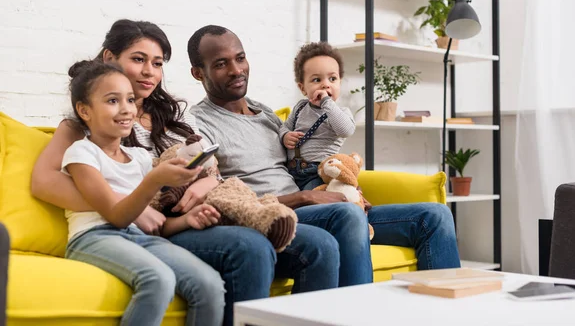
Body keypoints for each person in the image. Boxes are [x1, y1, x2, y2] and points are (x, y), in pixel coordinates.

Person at [31, 19, 336, 326]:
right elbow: (44, 182)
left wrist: (207, 185)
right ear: (110, 59)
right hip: (156, 221)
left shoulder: (173, 115)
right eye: (138, 59)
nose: (150, 71)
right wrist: (132, 207)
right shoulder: (87, 127)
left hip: (197, 212)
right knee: (250, 247)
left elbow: (210, 167)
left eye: (158, 63)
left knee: (319, 245)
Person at [187, 24, 462, 287]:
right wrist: (303, 197)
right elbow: (220, 197)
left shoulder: (265, 114)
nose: (237, 70)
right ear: (199, 73)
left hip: (315, 205)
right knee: (346, 215)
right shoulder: (200, 124)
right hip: (272, 214)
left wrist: (345, 186)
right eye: (221, 64)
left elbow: (305, 158)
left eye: (241, 58)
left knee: (435, 216)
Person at [62, 60, 224, 326]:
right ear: (84, 110)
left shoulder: (139, 157)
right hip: (93, 238)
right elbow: (117, 216)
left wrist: (186, 220)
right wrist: (153, 180)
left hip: (137, 236)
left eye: (129, 100)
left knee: (210, 284)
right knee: (158, 279)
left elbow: (150, 224)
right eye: (112, 101)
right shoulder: (81, 153)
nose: (126, 109)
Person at [279, 42, 355, 190]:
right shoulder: (300, 107)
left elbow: (346, 130)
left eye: (332, 79)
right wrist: (285, 136)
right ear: (303, 88)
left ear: (340, 82)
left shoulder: (340, 113)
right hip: (291, 171)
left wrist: (326, 102)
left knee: (309, 200)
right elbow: (284, 127)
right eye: (317, 80)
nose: (325, 85)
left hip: (319, 173)